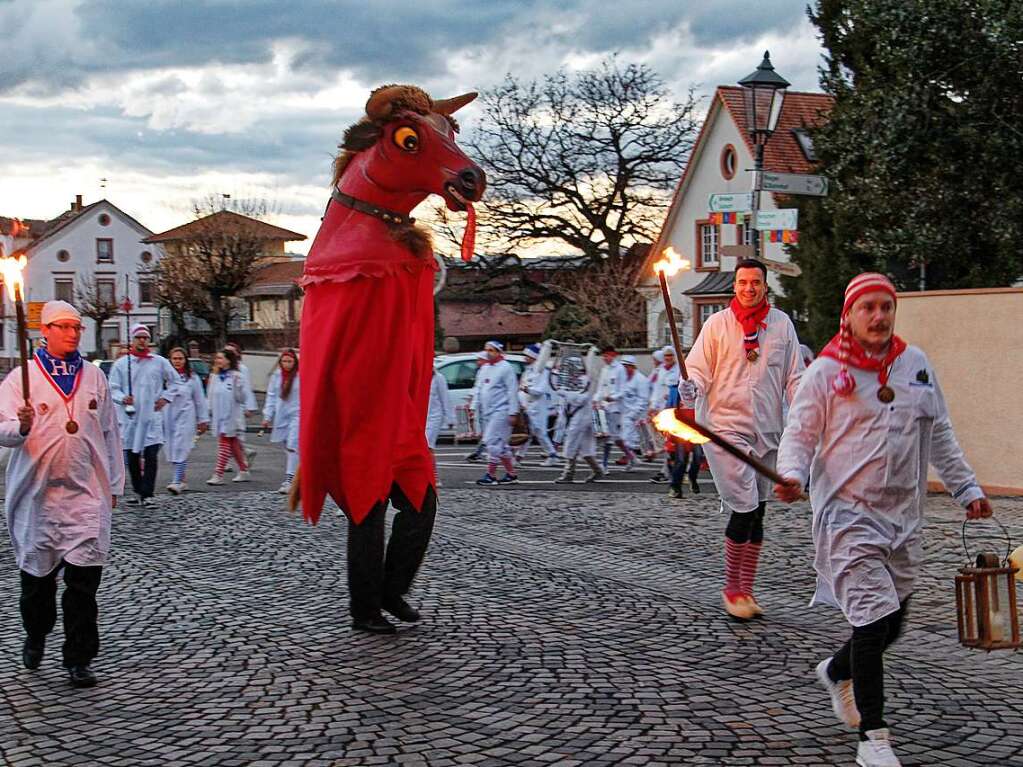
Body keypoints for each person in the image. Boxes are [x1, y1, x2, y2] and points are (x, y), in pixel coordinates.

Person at [774, 272, 991, 767]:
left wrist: (966, 488)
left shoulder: (914, 365)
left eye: (885, 307)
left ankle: (835, 669)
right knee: (872, 623)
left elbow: (940, 434)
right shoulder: (825, 372)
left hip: (903, 517)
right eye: (867, 307)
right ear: (848, 315)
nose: (878, 316)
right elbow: (800, 435)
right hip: (848, 516)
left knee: (893, 623)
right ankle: (874, 739)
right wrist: (791, 474)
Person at [0, 301, 123, 687]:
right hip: (37, 497)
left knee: (83, 586)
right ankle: (36, 635)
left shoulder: (93, 377)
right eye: (64, 327)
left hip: (86, 494)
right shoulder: (22, 379)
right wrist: (18, 427)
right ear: (45, 330)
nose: (73, 333)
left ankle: (79, 657)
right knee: (38, 584)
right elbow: (1, 430)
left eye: (77, 327)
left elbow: (109, 432)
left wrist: (114, 484)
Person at [680, 259, 804, 619]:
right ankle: (732, 588)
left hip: (767, 429)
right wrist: (691, 387)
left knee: (760, 509)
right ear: (734, 286)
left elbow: (794, 376)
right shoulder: (717, 325)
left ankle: (747, 590)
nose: (749, 288)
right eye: (742, 282)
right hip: (724, 428)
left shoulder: (781, 324)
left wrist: (804, 414)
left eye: (755, 282)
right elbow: (698, 372)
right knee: (744, 506)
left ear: (765, 286)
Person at [108, 324, 183, 507]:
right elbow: (112, 387)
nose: (142, 341)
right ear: (132, 340)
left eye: (145, 337)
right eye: (138, 337)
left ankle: (148, 493)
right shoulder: (121, 364)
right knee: (133, 457)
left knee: (151, 455)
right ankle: (137, 490)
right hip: (130, 418)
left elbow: (175, 381)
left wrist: (165, 398)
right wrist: (123, 398)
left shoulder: (159, 362)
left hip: (151, 417)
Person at [163, 347, 209, 495]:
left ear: (185, 360)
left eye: (180, 358)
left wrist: (203, 419)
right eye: (175, 358)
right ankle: (182, 479)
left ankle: (176, 480)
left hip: (186, 416)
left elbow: (199, 399)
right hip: (168, 416)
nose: (177, 361)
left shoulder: (192, 378)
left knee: (181, 447)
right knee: (172, 448)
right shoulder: (164, 377)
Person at [474, 340, 521, 485]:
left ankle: (491, 474)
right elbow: (478, 388)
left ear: (499, 352)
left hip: (501, 410)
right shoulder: (485, 368)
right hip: (488, 411)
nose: (488, 352)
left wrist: (513, 412)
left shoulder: (506, 368)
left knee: (491, 441)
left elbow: (512, 390)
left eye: (491, 350)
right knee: (501, 445)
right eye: (486, 349)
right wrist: (473, 406)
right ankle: (511, 474)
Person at [206, 348, 251, 485]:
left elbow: (241, 398)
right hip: (219, 415)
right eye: (217, 358)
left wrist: (239, 387)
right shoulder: (215, 376)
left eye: (221, 358)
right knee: (233, 444)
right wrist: (208, 411)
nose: (217, 361)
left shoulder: (237, 376)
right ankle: (243, 470)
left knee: (224, 442)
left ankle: (218, 474)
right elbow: (210, 395)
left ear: (228, 360)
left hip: (231, 415)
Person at [261, 349, 300, 494]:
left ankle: (289, 480)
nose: (287, 364)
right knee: (287, 445)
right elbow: (271, 396)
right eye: (284, 361)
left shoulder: (301, 376)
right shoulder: (276, 376)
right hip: (282, 415)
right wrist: (267, 416)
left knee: (292, 444)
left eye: (290, 361)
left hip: (298, 414)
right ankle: (298, 474)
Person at [593, 345, 637, 471]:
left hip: (615, 408)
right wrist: (595, 400)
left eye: (606, 355)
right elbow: (600, 388)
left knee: (608, 436)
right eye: (603, 356)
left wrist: (613, 398)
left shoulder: (619, 369)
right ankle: (631, 457)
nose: (604, 358)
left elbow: (623, 389)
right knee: (615, 437)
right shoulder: (604, 370)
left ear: (613, 355)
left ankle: (604, 464)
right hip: (604, 406)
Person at [553, 373, 603, 483]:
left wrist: (564, 393)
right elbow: (563, 404)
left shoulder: (585, 380)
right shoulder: (567, 382)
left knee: (571, 444)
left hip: (583, 418)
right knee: (585, 448)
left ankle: (568, 473)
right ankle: (597, 470)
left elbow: (581, 399)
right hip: (574, 418)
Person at [519, 343, 559, 466]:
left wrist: (528, 390)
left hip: (539, 406)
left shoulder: (543, 371)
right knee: (528, 432)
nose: (525, 358)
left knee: (540, 432)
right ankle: (519, 457)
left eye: (527, 355)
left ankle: (552, 455)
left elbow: (540, 390)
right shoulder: (528, 370)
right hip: (529, 406)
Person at [648, 346, 680, 484]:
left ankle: (666, 472)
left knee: (672, 444)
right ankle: (671, 471)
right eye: (666, 356)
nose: (668, 358)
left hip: (674, 412)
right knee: (668, 444)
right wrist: (652, 406)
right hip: (661, 412)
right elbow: (656, 391)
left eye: (670, 356)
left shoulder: (679, 371)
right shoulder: (661, 371)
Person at [224, 341, 258, 469]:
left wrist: (249, 407)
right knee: (226, 433)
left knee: (234, 434)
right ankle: (244, 454)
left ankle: (237, 458)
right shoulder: (223, 369)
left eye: (231, 352)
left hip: (238, 407)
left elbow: (246, 388)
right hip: (226, 406)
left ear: (237, 354)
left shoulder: (242, 369)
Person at [425, 360, 455, 485]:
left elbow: (445, 399)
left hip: (434, 417)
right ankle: (426, 476)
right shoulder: (419, 377)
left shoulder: (438, 378)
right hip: (422, 417)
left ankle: (435, 477)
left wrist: (450, 419)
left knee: (428, 446)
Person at [619, 356, 650, 463]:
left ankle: (629, 456)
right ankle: (633, 454)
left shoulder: (641, 380)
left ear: (632, 367)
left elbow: (643, 399)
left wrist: (634, 413)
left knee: (629, 437)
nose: (624, 369)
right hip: (625, 413)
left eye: (626, 367)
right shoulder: (623, 379)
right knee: (628, 436)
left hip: (637, 413)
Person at [464, 352, 490, 462]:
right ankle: (480, 452)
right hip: (483, 407)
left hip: (490, 407)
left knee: (490, 432)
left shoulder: (490, 371)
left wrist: (473, 405)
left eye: (480, 360)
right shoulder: (481, 371)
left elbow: (481, 390)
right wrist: (472, 401)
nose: (477, 362)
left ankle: (481, 453)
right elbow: (477, 388)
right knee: (486, 432)